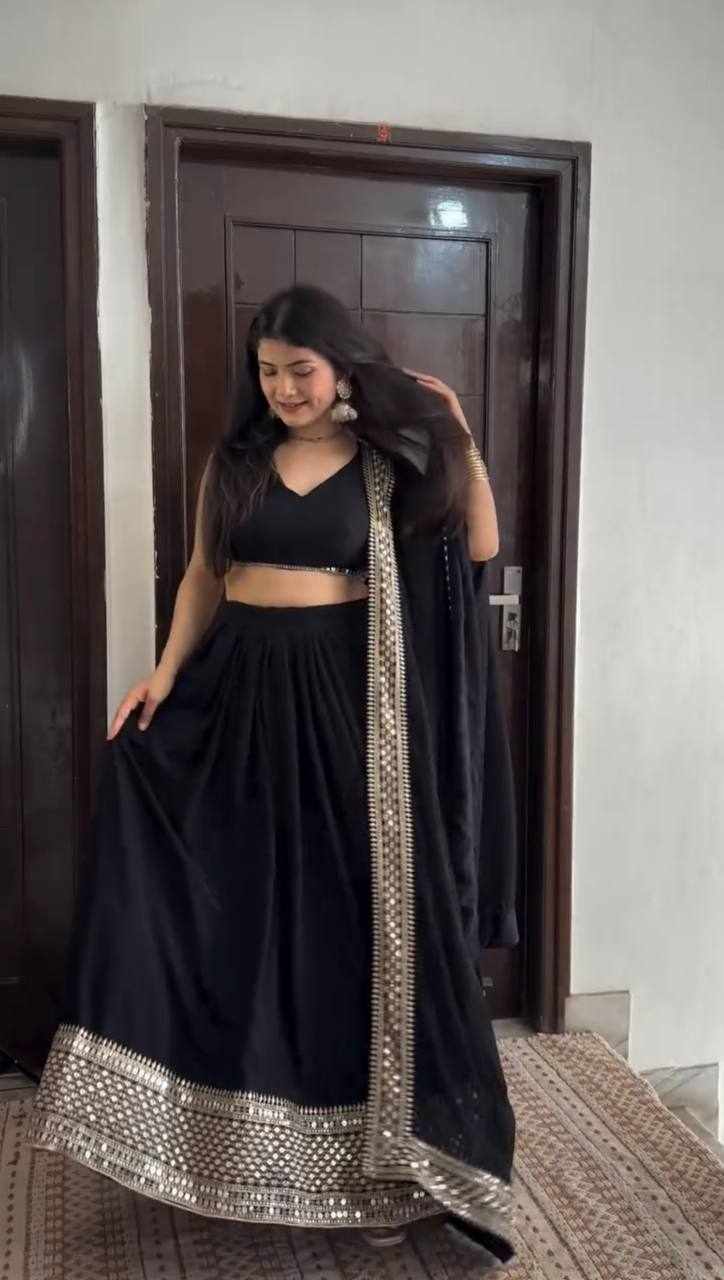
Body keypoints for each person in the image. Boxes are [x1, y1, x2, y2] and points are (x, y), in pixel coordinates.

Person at [25, 284, 519, 1266]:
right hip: (234, 693)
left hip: (345, 707)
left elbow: (478, 548)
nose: (285, 388)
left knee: (346, 922)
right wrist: (163, 676)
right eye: (268, 371)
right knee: (230, 905)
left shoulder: (385, 467)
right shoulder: (237, 462)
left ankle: (379, 1166)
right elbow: (203, 576)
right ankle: (203, 1134)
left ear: (340, 368)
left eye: (302, 369)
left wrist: (460, 435)